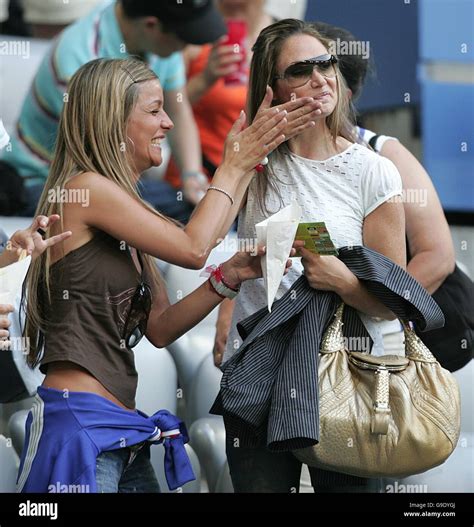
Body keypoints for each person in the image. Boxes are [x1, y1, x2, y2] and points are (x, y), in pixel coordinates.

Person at [17, 56, 317, 493]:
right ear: (113, 120)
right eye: (155, 110)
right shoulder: (87, 190)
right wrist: (232, 166)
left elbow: (159, 328)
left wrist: (230, 276)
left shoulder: (124, 207)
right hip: (78, 426)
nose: (169, 124)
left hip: (122, 429)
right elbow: (194, 248)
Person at [219, 19, 407, 493]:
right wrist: (236, 160)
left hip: (347, 372)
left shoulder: (373, 170)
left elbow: (396, 299)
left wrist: (341, 279)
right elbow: (201, 242)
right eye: (301, 69)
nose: (321, 77)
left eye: (326, 63)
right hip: (259, 369)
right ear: (273, 89)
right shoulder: (252, 161)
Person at [1, 0, 226, 220]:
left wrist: (192, 177)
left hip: (112, 176)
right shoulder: (78, 61)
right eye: (183, 40)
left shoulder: (156, 39)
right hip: (46, 182)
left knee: (198, 207)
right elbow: (97, 157)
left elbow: (178, 110)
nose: (186, 48)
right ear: (151, 25)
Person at [164, 0, 279, 189]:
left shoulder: (284, 42)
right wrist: (205, 79)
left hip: (257, 185)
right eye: (225, 6)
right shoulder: (193, 38)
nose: (233, 8)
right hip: (193, 183)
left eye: (242, 6)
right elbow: (164, 111)